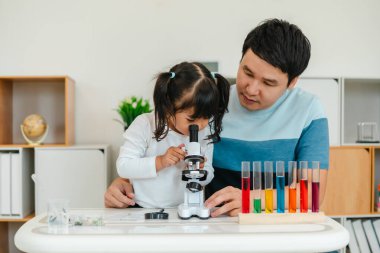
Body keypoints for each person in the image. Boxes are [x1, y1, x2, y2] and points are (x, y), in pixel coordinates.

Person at [105, 18, 329, 217]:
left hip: (276, 226)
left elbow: (311, 196)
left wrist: (252, 202)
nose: (251, 89)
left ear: (292, 82)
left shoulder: (308, 112)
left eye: (268, 83)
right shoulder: (208, 106)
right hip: (216, 227)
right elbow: (160, 150)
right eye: (247, 73)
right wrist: (124, 183)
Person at [113, 61, 230, 208]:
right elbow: (124, 166)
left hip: (184, 209)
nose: (200, 125)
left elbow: (209, 173)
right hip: (142, 210)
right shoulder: (145, 124)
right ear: (168, 106)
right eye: (191, 119)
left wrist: (199, 171)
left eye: (207, 117)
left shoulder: (205, 132)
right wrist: (160, 162)